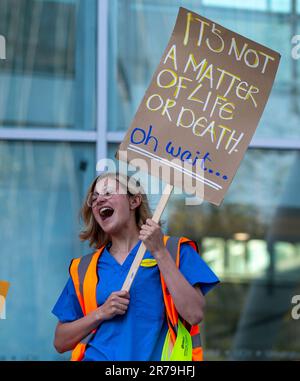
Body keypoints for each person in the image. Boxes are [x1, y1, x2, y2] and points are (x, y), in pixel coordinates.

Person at [52, 172, 219, 361]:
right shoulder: (83, 268)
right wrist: (101, 312)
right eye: (94, 197)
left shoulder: (175, 251)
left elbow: (194, 314)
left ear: (134, 201)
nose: (99, 200)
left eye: (107, 192)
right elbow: (60, 341)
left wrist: (159, 252)